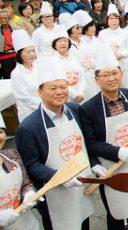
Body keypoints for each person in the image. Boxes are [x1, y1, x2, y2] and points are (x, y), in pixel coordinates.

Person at [80, 43, 128, 230]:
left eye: (114, 73)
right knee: (116, 211)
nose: (111, 78)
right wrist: (117, 151)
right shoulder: (89, 108)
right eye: (105, 75)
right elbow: (91, 143)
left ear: (121, 74)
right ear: (96, 79)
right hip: (110, 168)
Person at [15, 56, 96, 230]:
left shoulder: (75, 110)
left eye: (63, 87)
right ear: (40, 91)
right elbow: (31, 165)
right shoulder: (29, 127)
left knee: (83, 222)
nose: (60, 92)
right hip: (54, 193)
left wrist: (94, 165)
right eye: (53, 88)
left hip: (80, 187)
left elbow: (86, 144)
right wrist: (60, 178)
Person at [0, 113, 40, 229]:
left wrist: (28, 193)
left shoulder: (12, 155)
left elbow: (25, 184)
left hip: (27, 224)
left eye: (0, 132)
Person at [10, 29, 40, 122]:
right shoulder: (17, 73)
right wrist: (45, 105)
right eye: (28, 52)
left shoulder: (37, 67)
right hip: (29, 113)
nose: (32, 54)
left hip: (46, 109)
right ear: (20, 54)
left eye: (33, 51)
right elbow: (25, 98)